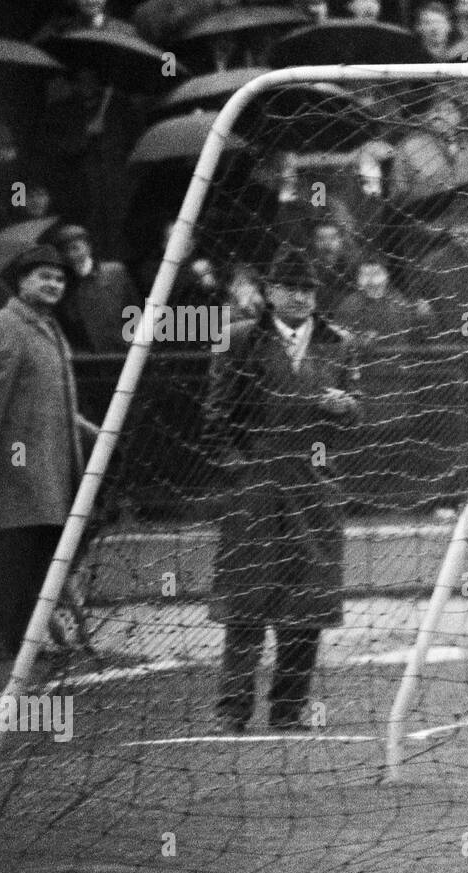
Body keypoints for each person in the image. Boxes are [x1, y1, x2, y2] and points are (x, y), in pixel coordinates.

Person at [201, 249, 361, 733]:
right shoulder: (238, 339)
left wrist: (347, 408)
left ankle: (288, 709)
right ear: (270, 292)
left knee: (308, 602)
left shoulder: (339, 343)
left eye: (308, 289)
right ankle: (232, 710)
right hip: (257, 484)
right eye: (291, 288)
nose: (300, 297)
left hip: (314, 485)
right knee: (246, 601)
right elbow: (215, 417)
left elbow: (357, 422)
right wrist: (241, 473)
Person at [0, 246, 98, 663]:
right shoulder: (5, 327)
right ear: (22, 281)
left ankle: (18, 641)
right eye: (44, 276)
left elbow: (53, 397)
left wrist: (93, 431)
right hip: (17, 462)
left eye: (59, 279)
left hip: (47, 465)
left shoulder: (48, 327)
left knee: (38, 555)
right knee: (16, 555)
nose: (53, 284)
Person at [48, 224, 141, 354]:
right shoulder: (62, 285)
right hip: (88, 359)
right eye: (65, 251)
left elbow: (134, 310)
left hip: (122, 353)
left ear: (88, 247)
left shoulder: (115, 273)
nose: (71, 255)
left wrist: (134, 345)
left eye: (75, 248)